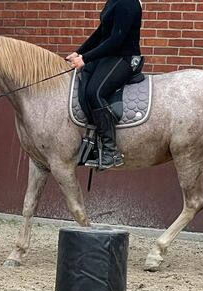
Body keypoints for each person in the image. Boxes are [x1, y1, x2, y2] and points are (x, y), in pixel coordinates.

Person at [66, 0, 143, 170]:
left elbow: (115, 40)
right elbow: (101, 33)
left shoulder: (127, 4)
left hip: (125, 58)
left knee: (95, 92)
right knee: (85, 79)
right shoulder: (112, 2)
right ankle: (93, 142)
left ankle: (110, 151)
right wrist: (80, 52)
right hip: (110, 57)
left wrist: (85, 59)